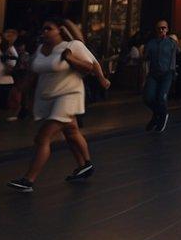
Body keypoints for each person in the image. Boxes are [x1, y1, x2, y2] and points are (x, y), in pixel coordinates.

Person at [7, 20, 110, 192]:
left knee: (42, 138)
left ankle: (28, 180)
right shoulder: (40, 49)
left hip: (69, 96)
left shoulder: (72, 45)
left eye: (49, 28)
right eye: (43, 28)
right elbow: (32, 74)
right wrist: (18, 91)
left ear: (60, 31)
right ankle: (85, 164)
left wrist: (100, 78)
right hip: (49, 97)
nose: (45, 31)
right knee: (71, 131)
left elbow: (91, 65)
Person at [142, 21, 177, 133]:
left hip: (167, 73)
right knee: (148, 97)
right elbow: (145, 59)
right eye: (159, 28)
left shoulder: (171, 43)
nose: (162, 30)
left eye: (164, 28)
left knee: (162, 97)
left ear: (167, 29)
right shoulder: (151, 43)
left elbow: (178, 52)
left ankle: (161, 118)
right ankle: (159, 114)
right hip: (153, 73)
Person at [0, 31, 19, 122]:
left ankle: (0, 117)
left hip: (4, 78)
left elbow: (15, 58)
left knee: (3, 100)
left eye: (0, 39)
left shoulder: (7, 49)